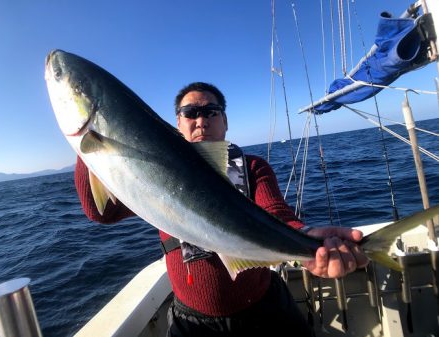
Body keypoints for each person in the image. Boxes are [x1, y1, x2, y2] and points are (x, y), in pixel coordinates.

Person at [74, 82, 368, 337]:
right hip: (193, 322)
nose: (200, 120)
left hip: (266, 310)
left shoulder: (252, 167)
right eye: (190, 113)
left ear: (224, 121)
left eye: (210, 111)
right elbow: (101, 212)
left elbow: (277, 213)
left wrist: (305, 238)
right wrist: (91, 140)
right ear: (178, 123)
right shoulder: (149, 170)